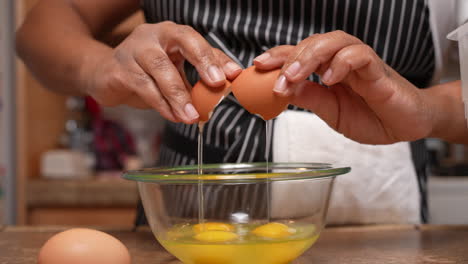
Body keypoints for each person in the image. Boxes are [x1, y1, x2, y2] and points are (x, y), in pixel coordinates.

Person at [16, 0, 467, 224]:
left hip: (378, 219)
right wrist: (97, 67)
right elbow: (44, 24)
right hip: (188, 225)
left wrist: (428, 111)